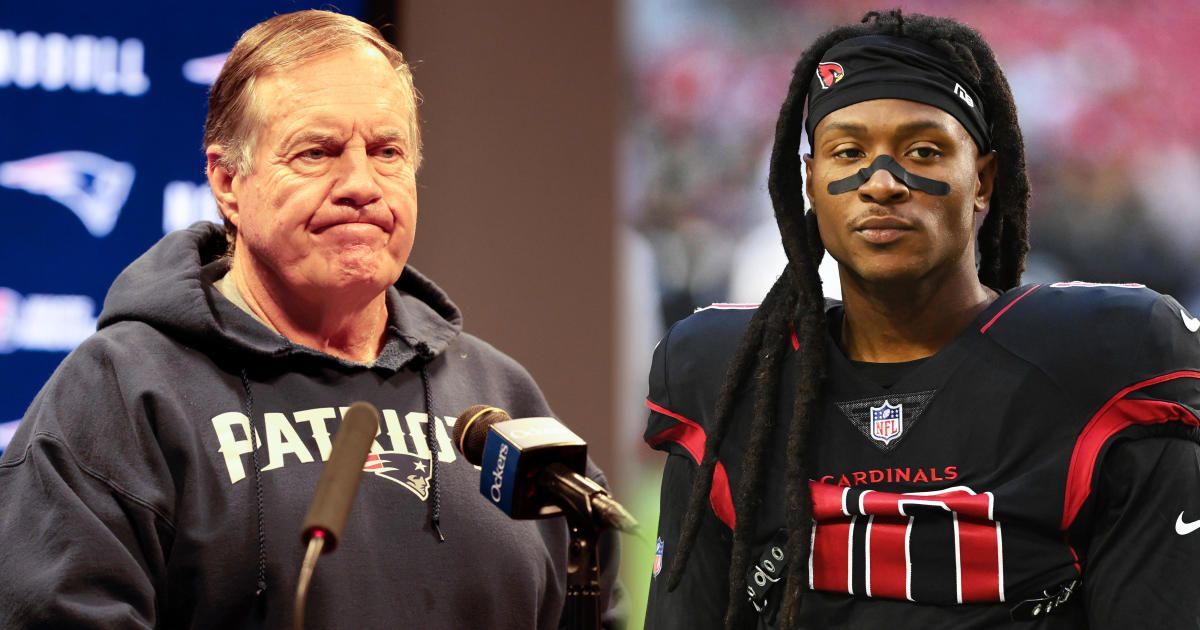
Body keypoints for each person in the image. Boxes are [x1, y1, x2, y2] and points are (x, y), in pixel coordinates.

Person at [0, 10, 621, 629]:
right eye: (317, 152)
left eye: (387, 151)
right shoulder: (119, 394)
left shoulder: (500, 400)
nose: (360, 184)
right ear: (227, 182)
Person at [644, 10, 1200, 629]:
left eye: (924, 150)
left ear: (983, 180)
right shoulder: (733, 377)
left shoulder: (1107, 359)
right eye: (848, 151)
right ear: (810, 182)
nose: (881, 182)